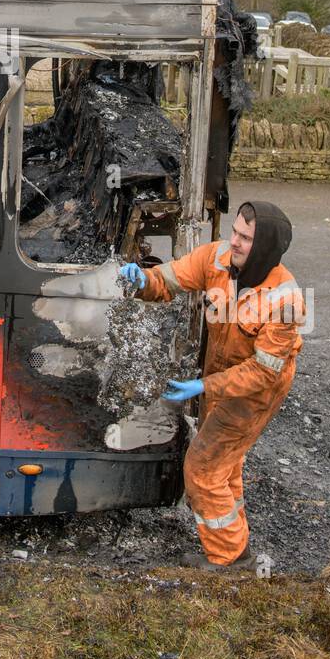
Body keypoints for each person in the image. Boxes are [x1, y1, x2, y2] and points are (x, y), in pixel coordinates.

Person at [120, 200, 305, 571]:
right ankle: (236, 543)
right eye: (234, 231)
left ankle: (228, 560)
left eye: (245, 238)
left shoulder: (286, 301)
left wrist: (204, 386)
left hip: (255, 394)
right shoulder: (217, 258)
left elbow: (262, 373)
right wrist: (144, 280)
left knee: (203, 468)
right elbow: (170, 278)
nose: (233, 242)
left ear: (265, 247)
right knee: (224, 464)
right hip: (218, 377)